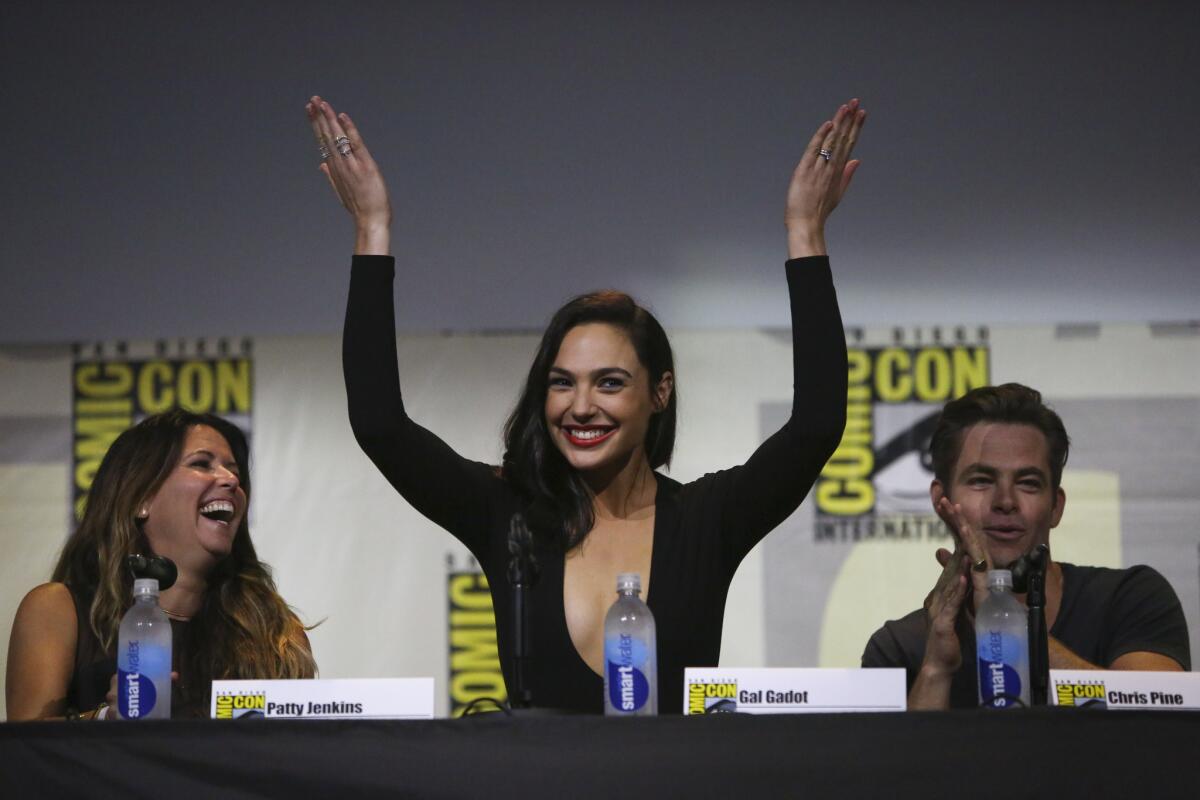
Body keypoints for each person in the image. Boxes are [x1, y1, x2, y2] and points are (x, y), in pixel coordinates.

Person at [309, 94, 862, 713]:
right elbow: (380, 424)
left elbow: (817, 423)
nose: (580, 406)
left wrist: (805, 234)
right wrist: (372, 230)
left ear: (660, 391)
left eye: (609, 382)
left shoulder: (707, 520)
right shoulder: (507, 513)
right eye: (561, 381)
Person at [861, 383, 1191, 709]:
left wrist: (1006, 623)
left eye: (1028, 483)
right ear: (941, 500)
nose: (1005, 501)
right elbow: (902, 763)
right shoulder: (899, 648)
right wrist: (935, 669)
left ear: (1056, 507)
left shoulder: (1131, 600)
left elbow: (1162, 720)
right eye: (981, 480)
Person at [5, 410, 316, 720]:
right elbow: (26, 751)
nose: (231, 479)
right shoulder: (58, 610)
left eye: (233, 470)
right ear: (141, 497)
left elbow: (294, 751)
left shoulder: (277, 632)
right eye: (201, 463)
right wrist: (107, 718)